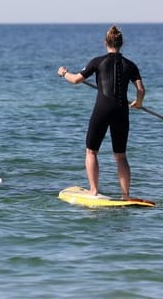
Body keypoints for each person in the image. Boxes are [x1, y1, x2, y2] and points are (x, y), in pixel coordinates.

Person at [57, 25, 145, 199]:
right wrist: (138, 103)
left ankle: (94, 190)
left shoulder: (98, 61)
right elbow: (141, 89)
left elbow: (75, 80)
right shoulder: (130, 65)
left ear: (105, 42)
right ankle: (126, 195)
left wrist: (64, 73)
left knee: (91, 151)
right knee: (120, 156)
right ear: (122, 43)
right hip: (121, 111)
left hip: (102, 109)